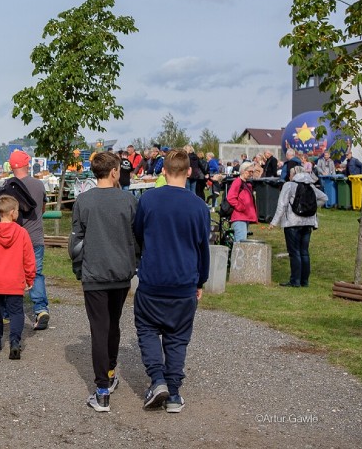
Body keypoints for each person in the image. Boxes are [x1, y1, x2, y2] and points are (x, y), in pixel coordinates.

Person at [132, 149, 210, 414]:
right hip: (184, 281)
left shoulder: (148, 199)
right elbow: (203, 248)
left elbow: (138, 232)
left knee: (147, 329)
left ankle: (158, 379)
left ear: (163, 171)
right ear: (189, 172)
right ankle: (174, 393)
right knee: (177, 337)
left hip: (153, 279)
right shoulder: (199, 205)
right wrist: (201, 280)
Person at [69, 152, 138, 413]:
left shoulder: (83, 201)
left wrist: (79, 270)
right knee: (112, 325)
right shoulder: (128, 200)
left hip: (95, 273)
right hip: (120, 273)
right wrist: (134, 263)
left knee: (100, 328)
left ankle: (102, 389)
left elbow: (75, 242)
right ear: (113, 172)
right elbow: (136, 237)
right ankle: (108, 373)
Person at [0, 195, 36, 360]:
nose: (18, 213)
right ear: (12, 213)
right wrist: (30, 278)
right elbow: (29, 259)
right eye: (17, 210)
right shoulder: (22, 233)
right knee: (16, 312)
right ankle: (15, 341)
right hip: (15, 280)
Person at [2, 150, 50, 330]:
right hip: (35, 237)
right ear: (26, 164)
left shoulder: (8, 186)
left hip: (14, 238)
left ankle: (7, 312)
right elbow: (43, 208)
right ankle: (40, 309)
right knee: (36, 273)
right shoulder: (38, 184)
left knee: (11, 274)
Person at [271, 166, 328, 288]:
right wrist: (311, 207)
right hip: (308, 223)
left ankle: (295, 281)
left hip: (292, 223)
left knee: (294, 252)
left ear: (294, 174)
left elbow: (281, 205)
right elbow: (324, 198)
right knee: (304, 252)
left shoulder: (289, 186)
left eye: (291, 174)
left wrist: (273, 222)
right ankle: (304, 281)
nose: (289, 176)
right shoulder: (310, 186)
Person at [226, 162, 257, 242]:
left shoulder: (246, 184)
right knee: (240, 243)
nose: (251, 174)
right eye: (250, 171)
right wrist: (241, 207)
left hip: (244, 217)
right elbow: (231, 197)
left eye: (252, 172)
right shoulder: (237, 182)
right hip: (239, 217)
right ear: (243, 171)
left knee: (242, 242)